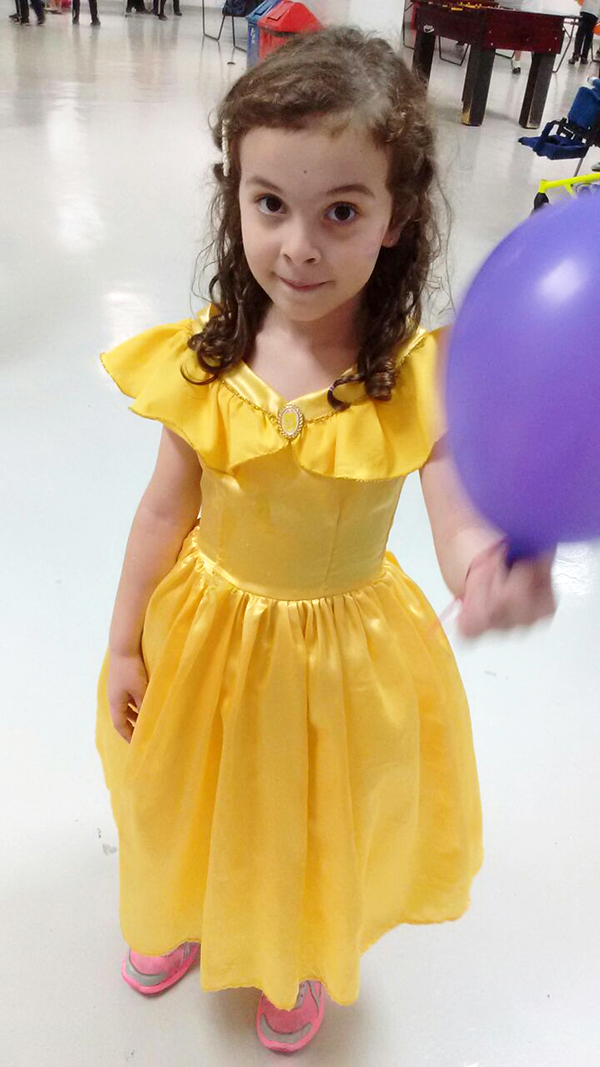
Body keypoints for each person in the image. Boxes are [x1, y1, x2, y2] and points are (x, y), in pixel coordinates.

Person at [95, 27, 556, 1054]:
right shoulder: (211, 357)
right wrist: (125, 642)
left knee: (305, 814)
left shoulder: (415, 377)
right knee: (188, 785)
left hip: (336, 659)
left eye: (341, 211)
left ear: (398, 218)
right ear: (237, 199)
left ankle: (292, 949)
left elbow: (453, 510)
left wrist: (486, 566)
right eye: (271, 204)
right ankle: (182, 907)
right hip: (206, 636)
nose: (299, 245)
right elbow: (163, 510)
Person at [569, 0, 600, 64]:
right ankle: (584, 57)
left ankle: (576, 54)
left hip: (585, 11)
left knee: (580, 34)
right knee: (588, 37)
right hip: (594, 14)